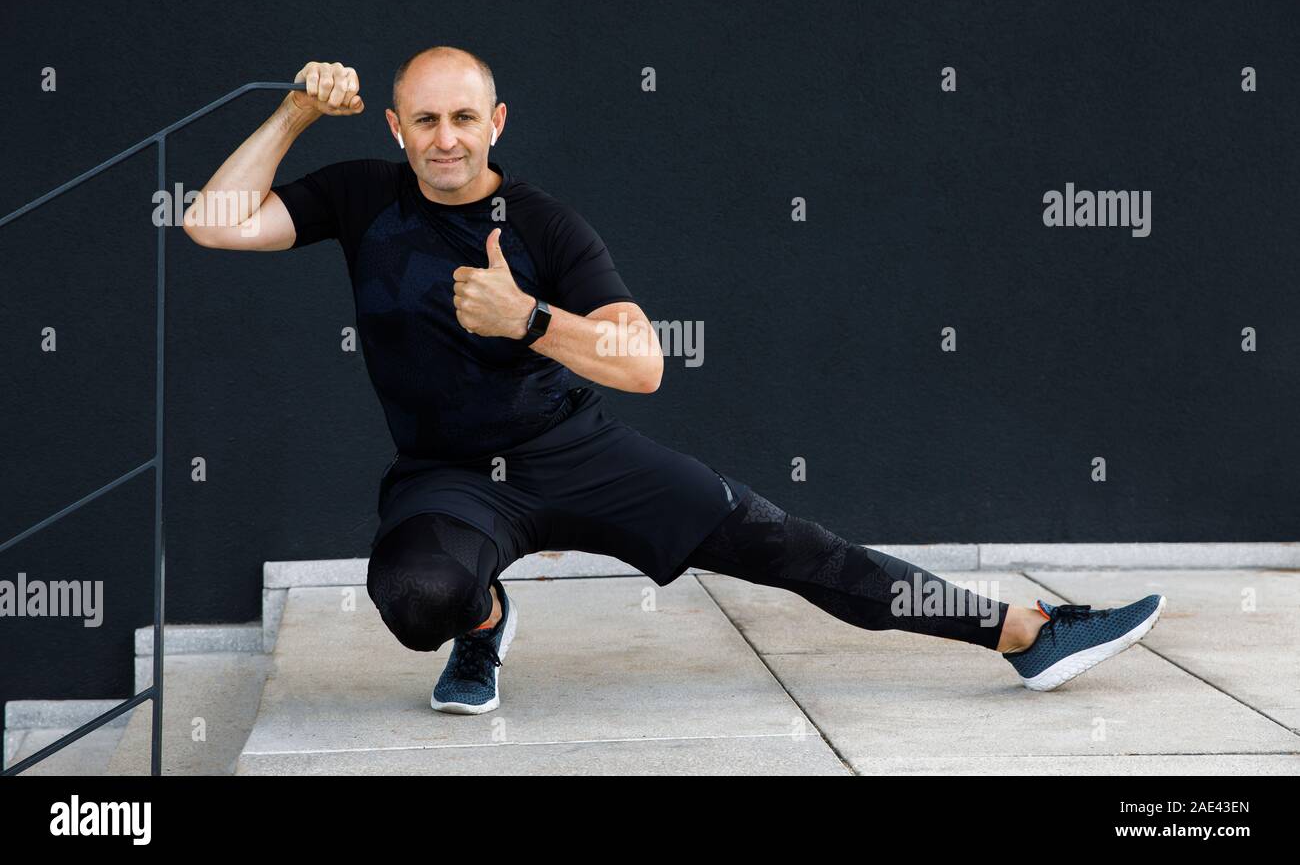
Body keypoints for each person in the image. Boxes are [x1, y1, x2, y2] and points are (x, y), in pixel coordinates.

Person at [182, 48, 1166, 714]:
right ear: (397, 125)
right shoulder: (359, 194)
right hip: (447, 476)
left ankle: (1025, 631)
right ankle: (481, 623)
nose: (446, 137)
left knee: (790, 545)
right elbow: (213, 220)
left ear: (497, 121)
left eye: (465, 118)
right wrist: (297, 110)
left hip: (574, 452)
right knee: (416, 593)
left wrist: (527, 318)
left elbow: (645, 363)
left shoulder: (547, 224)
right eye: (426, 119)